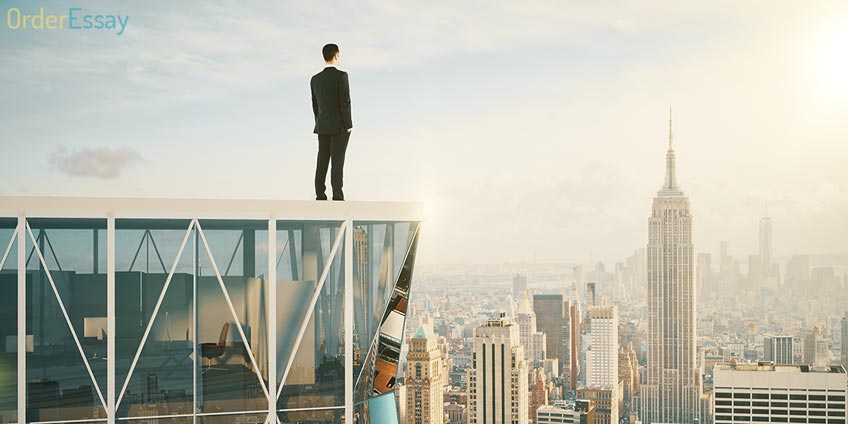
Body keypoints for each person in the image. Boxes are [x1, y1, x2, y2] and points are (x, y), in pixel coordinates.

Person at [311, 43, 352, 201]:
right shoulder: (342, 76)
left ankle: (320, 194)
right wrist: (348, 124)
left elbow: (315, 105)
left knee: (322, 161)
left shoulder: (315, 79)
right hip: (339, 126)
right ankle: (337, 196)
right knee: (337, 162)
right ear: (336, 55)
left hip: (322, 126)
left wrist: (319, 122)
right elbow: (345, 102)